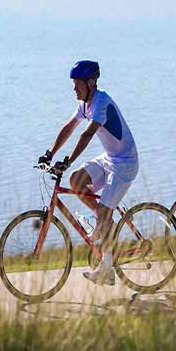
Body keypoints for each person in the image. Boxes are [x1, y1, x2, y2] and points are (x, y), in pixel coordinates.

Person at [38, 60, 139, 285]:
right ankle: (104, 221)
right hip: (110, 159)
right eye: (74, 84)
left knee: (104, 211)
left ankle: (107, 269)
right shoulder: (85, 104)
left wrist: (67, 160)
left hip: (125, 163)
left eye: (77, 84)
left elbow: (86, 135)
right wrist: (50, 153)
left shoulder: (101, 102)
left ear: (91, 83)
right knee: (76, 180)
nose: (74, 88)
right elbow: (69, 127)